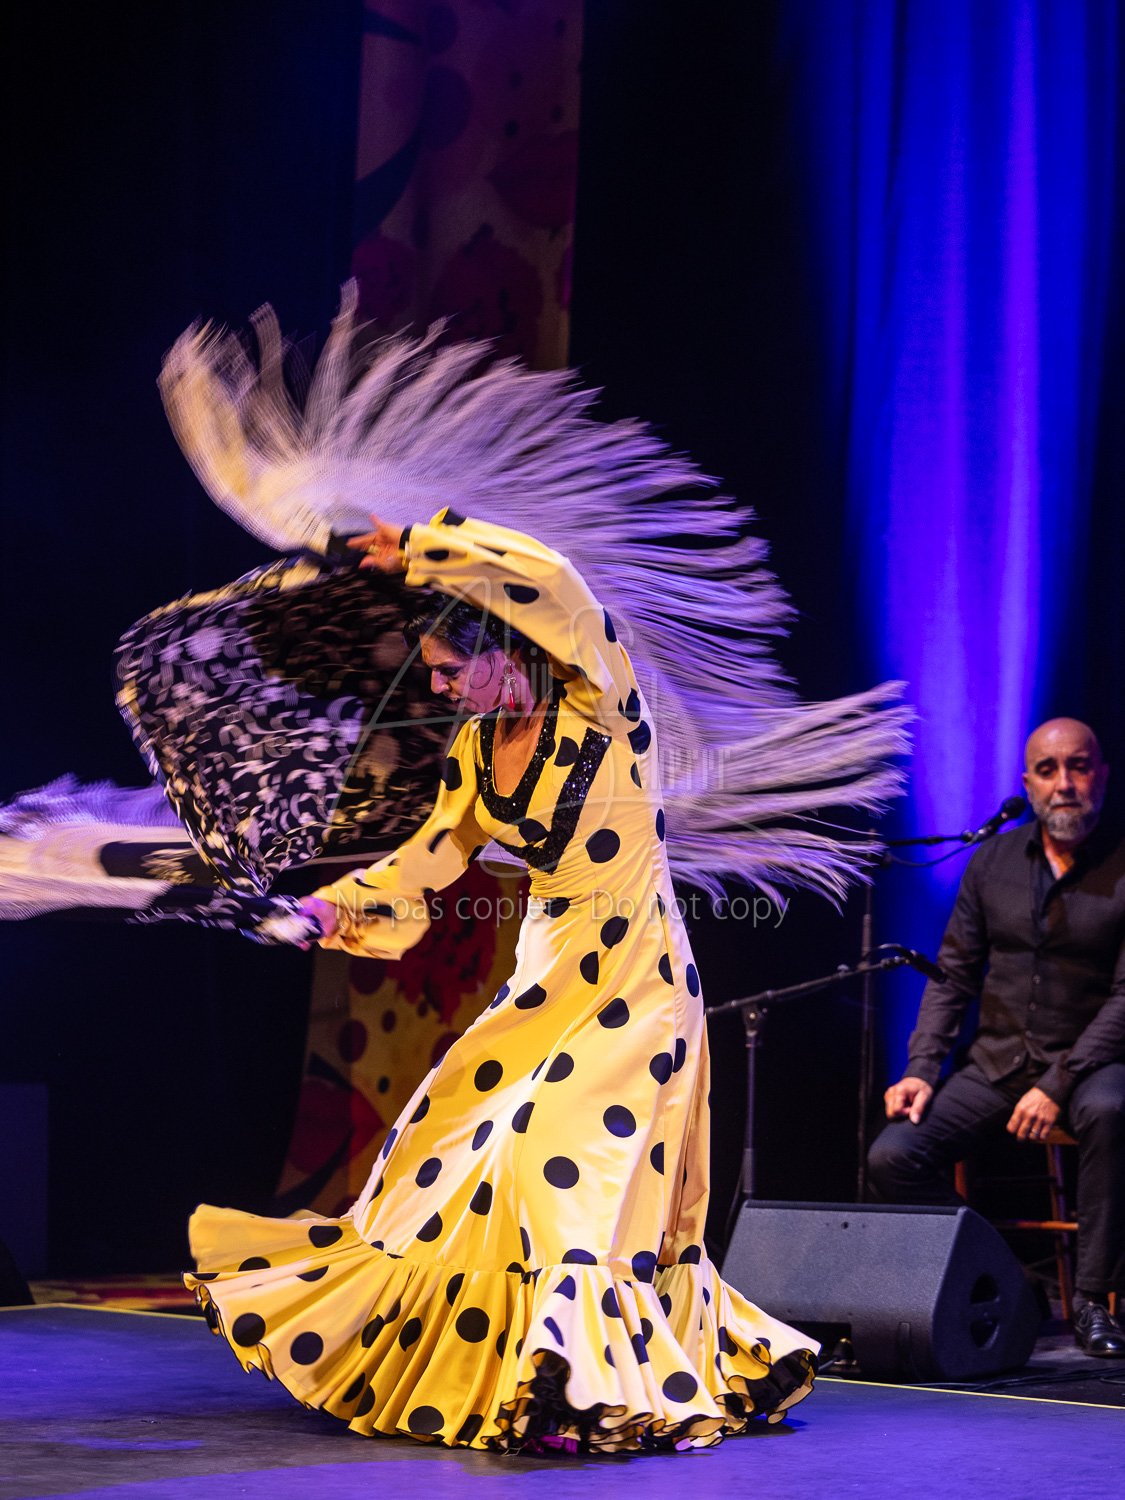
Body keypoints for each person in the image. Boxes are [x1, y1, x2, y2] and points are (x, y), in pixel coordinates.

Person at [185, 508, 818, 1452]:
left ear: (509, 649)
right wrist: (327, 908)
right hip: (545, 975)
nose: (438, 687)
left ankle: (576, 1382)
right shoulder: (476, 752)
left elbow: (559, 583)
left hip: (636, 982)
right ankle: (523, 1371)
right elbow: (430, 857)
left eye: (450, 668)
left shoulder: (603, 706)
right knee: (449, 1145)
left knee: (556, 1159)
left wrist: (428, 548)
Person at [867, 718, 1125, 1357]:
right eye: (1048, 770)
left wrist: (1057, 1083)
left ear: (1101, 774)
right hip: (999, 1060)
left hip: (1093, 1064)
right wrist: (921, 1068)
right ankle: (1010, 1279)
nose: (1065, 783)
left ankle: (1092, 1301)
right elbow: (953, 975)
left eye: (1079, 766)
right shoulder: (993, 862)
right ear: (1027, 783)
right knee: (894, 1157)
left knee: (1111, 1110)